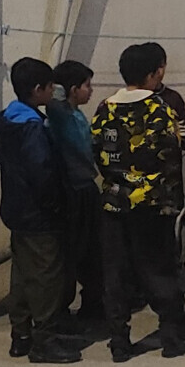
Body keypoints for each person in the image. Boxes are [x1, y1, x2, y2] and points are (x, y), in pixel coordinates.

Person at [92, 44, 185, 362]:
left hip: (114, 204)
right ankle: (171, 338)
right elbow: (173, 157)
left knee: (116, 274)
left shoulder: (104, 108)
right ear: (153, 74)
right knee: (159, 270)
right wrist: (172, 202)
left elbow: (97, 151)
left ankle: (119, 342)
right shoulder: (160, 110)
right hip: (153, 206)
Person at [0, 57, 81, 364]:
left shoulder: (9, 121)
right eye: (50, 86)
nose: (54, 91)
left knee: (22, 274)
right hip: (39, 214)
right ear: (37, 89)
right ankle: (45, 341)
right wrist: (56, 205)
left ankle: (21, 336)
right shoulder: (32, 128)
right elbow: (42, 171)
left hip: (16, 209)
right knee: (46, 277)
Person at [47, 61, 104, 324]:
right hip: (73, 190)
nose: (90, 91)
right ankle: (61, 309)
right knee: (73, 253)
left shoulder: (75, 114)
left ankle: (92, 304)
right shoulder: (60, 114)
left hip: (85, 188)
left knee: (91, 251)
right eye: (86, 86)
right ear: (72, 89)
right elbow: (83, 148)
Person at [143, 42, 185, 124]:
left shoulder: (174, 97)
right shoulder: (137, 96)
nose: (160, 72)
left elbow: (183, 126)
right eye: (155, 67)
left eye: (162, 66)